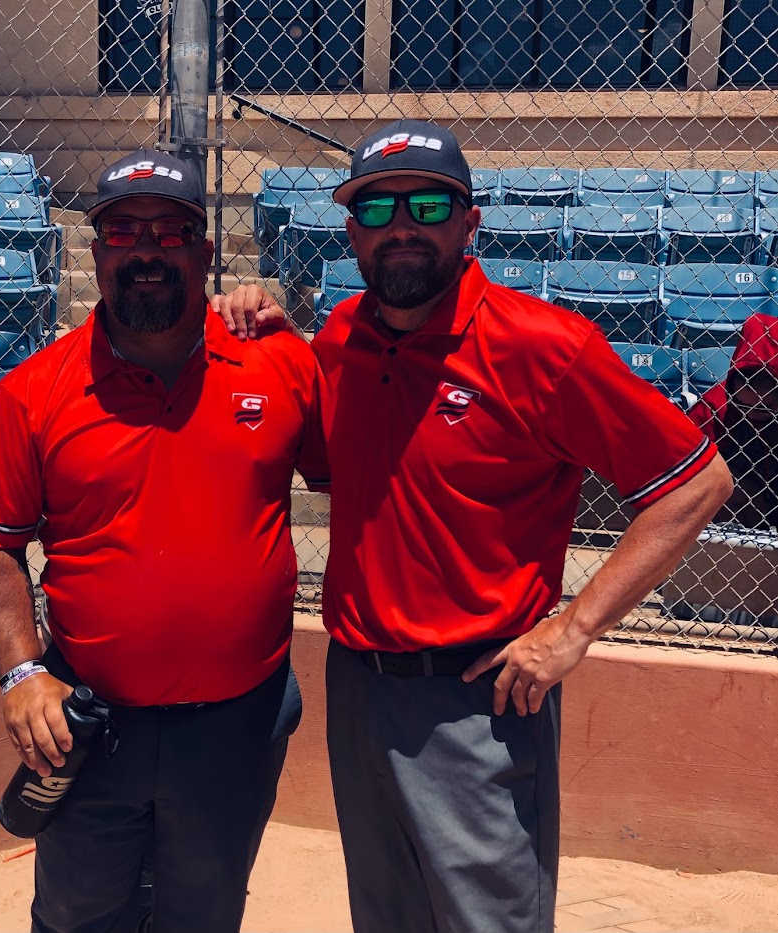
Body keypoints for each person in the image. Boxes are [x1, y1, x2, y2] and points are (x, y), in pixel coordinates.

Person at [217, 119, 733, 933]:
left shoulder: (542, 345)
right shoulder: (340, 338)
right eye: (376, 209)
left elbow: (695, 481)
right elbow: (326, 462)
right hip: (358, 685)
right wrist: (264, 332)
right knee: (384, 917)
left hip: (477, 697)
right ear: (350, 231)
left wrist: (573, 628)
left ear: (468, 222)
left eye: (426, 205)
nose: (401, 226)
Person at [0, 149, 321, 933]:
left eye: (171, 230)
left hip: (238, 720)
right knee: (77, 914)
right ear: (97, 253)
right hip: (89, 718)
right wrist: (21, 672)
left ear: (205, 250)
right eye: (124, 231)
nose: (147, 250)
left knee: (205, 914)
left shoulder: (279, 360)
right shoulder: (34, 390)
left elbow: (351, 473)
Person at [687, 311, 778, 529]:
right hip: (734, 495)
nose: (754, 414)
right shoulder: (715, 406)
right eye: (744, 407)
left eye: (765, 409)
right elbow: (685, 464)